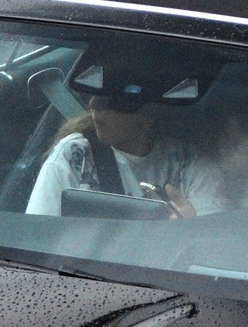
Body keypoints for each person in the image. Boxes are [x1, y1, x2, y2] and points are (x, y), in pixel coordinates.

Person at [26, 49, 208, 217]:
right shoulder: (75, 156)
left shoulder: (188, 161)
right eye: (94, 94)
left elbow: (216, 240)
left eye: (111, 100)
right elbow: (38, 234)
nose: (93, 105)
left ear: (149, 111)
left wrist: (189, 227)